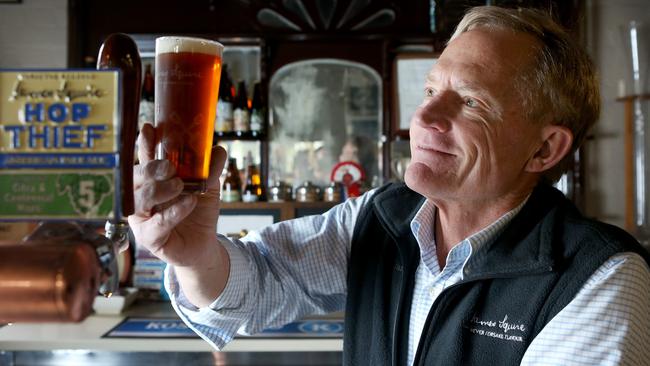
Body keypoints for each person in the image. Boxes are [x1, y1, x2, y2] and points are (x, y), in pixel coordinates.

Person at [129, 6, 650, 365]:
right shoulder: (382, 215)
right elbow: (261, 283)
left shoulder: (597, 277)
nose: (423, 116)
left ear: (544, 149)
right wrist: (194, 255)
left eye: (468, 101)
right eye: (429, 89)